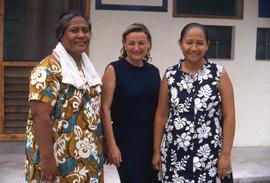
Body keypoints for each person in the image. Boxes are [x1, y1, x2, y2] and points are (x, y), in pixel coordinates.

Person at [25, 10, 104, 182]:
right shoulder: (47, 69)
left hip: (85, 157)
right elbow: (40, 116)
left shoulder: (86, 69)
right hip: (57, 158)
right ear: (61, 35)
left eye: (85, 30)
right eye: (74, 31)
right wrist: (47, 159)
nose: (81, 35)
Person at [152, 22, 236, 182]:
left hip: (210, 155)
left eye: (199, 43)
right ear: (180, 43)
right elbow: (161, 115)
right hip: (175, 155)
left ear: (207, 45)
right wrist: (157, 151)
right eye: (189, 42)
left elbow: (229, 117)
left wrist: (225, 154)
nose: (194, 48)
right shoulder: (170, 75)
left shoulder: (218, 74)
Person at [101, 23, 161, 183]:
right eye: (131, 43)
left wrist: (158, 147)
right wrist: (111, 145)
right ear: (124, 45)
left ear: (149, 44)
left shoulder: (154, 72)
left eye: (141, 43)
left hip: (151, 139)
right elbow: (104, 109)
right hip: (125, 140)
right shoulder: (113, 69)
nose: (136, 48)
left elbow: (159, 111)